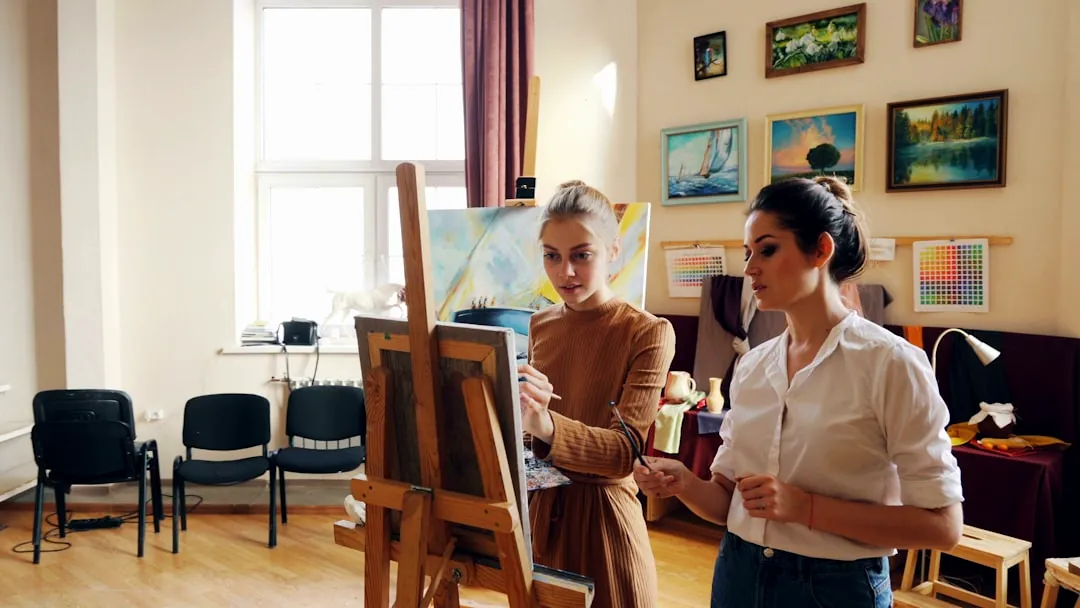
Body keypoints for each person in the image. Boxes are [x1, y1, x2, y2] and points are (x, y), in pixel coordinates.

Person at [634, 176, 964, 607]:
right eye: (748, 252)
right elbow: (729, 502)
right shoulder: (752, 365)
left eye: (767, 250)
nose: (750, 267)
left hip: (835, 588)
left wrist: (805, 507)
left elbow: (942, 527)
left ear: (821, 250)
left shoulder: (891, 363)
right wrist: (685, 484)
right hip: (738, 572)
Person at [517, 180, 675, 608]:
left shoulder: (647, 332)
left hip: (606, 528)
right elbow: (534, 447)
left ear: (613, 251)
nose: (564, 272)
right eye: (552, 256)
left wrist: (546, 424)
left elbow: (624, 453)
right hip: (542, 521)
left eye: (581, 255)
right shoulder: (541, 325)